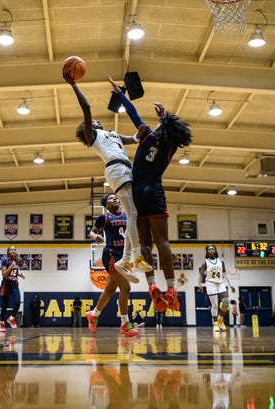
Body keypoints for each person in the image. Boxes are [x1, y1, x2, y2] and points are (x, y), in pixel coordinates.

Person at [110, 76, 193, 313]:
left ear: (159, 127)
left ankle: (152, 285)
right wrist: (164, 116)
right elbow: (169, 128)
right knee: (163, 242)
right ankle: (171, 289)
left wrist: (120, 93)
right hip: (154, 189)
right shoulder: (171, 145)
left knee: (145, 243)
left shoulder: (146, 134)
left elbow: (133, 113)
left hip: (137, 191)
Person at [65, 71, 151, 283]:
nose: (95, 120)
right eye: (91, 121)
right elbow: (86, 108)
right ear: (88, 128)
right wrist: (73, 85)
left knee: (134, 214)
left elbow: (135, 138)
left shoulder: (112, 133)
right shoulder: (92, 136)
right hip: (115, 170)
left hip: (127, 169)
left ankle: (127, 260)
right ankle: (135, 257)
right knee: (132, 213)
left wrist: (144, 129)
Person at [85, 194, 140, 337]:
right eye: (111, 198)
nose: (115, 199)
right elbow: (91, 232)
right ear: (106, 205)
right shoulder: (103, 218)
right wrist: (95, 236)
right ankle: (124, 324)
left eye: (116, 198)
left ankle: (94, 314)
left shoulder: (127, 215)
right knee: (126, 288)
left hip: (124, 256)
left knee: (109, 290)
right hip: (110, 255)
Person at [198, 244, 235, 331]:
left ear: (215, 251)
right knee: (215, 305)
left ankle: (220, 318)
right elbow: (200, 275)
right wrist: (200, 284)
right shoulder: (205, 263)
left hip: (220, 283)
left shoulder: (221, 262)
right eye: (209, 249)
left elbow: (225, 274)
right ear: (207, 252)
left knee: (226, 302)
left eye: (212, 249)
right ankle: (215, 324)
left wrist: (230, 285)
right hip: (210, 283)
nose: (211, 250)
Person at [0, 245, 25, 332]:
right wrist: (10, 267)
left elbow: (14, 272)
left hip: (14, 284)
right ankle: (2, 323)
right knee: (5, 306)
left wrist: (20, 275)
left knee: (18, 302)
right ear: (8, 251)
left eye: (14, 249)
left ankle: (11, 318)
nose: (13, 251)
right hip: (6, 284)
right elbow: (4, 274)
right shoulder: (5, 261)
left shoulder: (17, 260)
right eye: (11, 249)